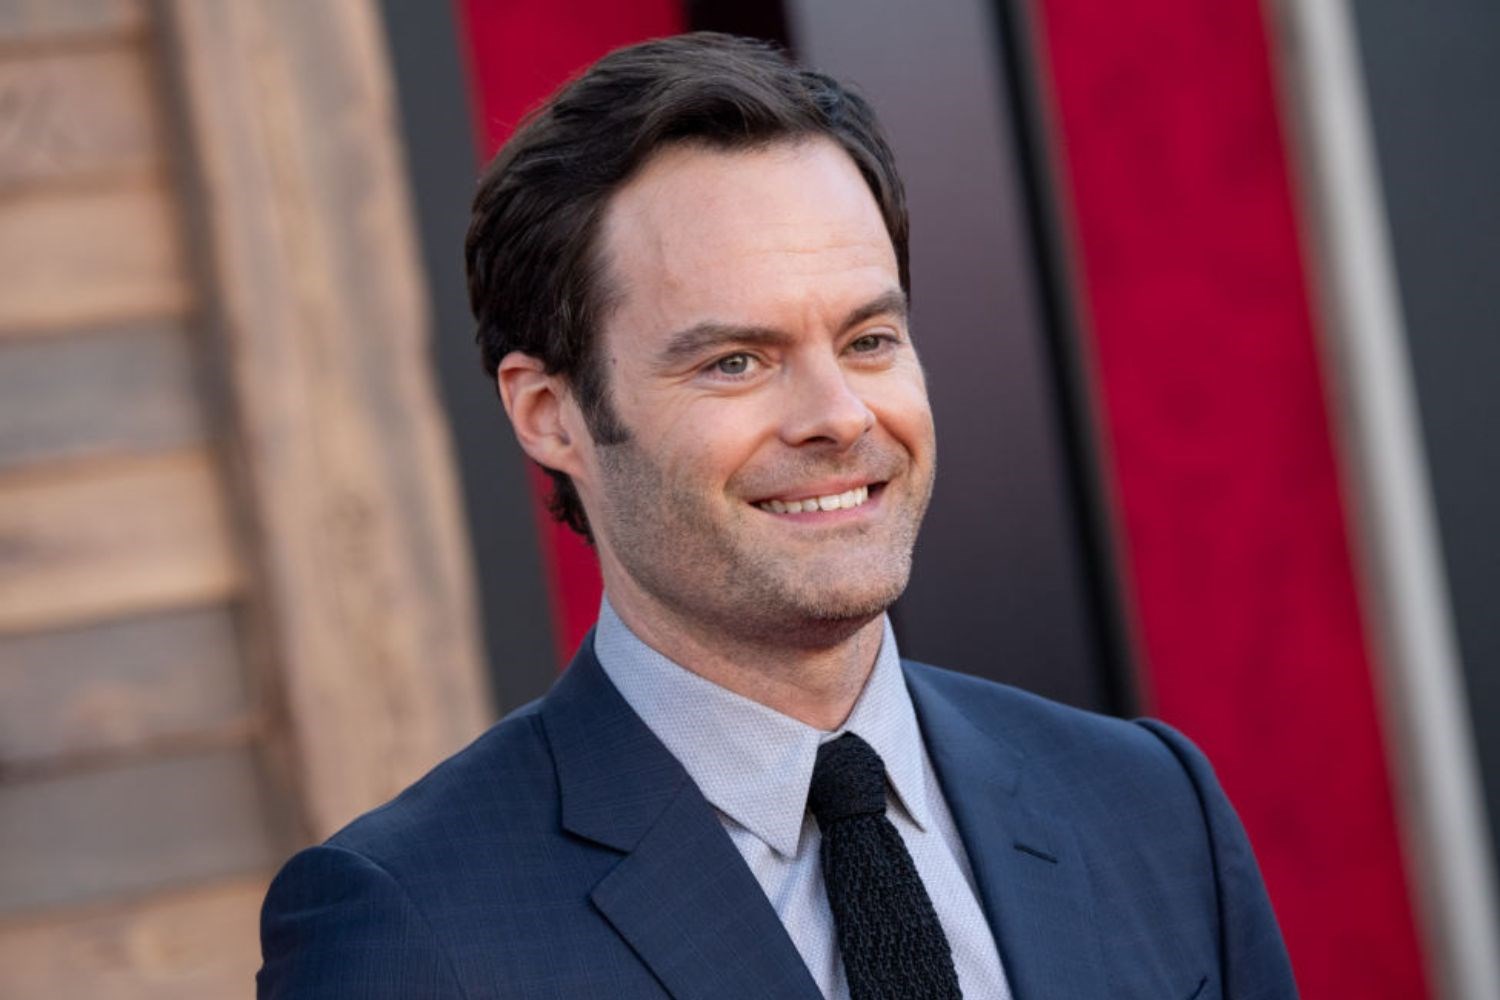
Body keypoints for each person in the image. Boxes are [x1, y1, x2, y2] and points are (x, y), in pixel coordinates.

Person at [257, 32, 1296, 999]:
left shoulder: (1153, 808)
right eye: (736, 361)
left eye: (868, 340)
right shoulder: (408, 928)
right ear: (550, 413)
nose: (839, 417)